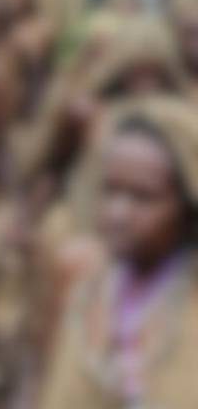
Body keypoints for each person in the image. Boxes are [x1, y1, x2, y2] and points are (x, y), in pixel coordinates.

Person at [39, 98, 198, 409]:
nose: (119, 213)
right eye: (111, 190)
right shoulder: (80, 274)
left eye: (143, 197)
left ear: (187, 205)